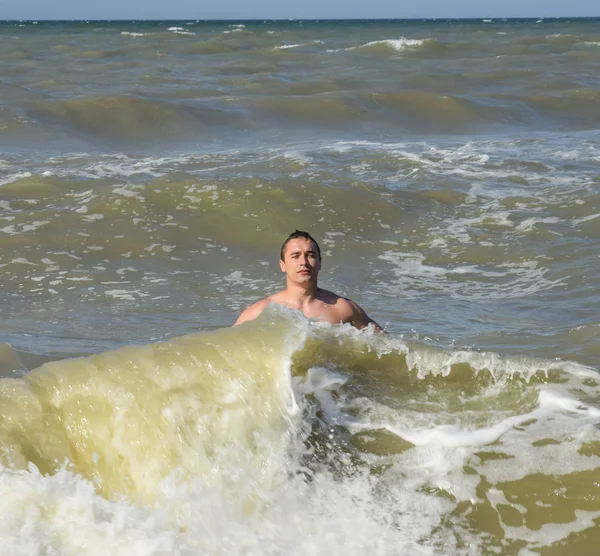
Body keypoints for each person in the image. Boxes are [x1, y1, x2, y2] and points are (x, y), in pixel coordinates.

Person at [234, 230, 384, 331]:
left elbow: (387, 346)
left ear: (320, 262)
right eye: (295, 255)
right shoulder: (262, 311)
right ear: (283, 265)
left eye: (310, 255)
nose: (303, 262)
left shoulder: (342, 308)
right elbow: (225, 352)